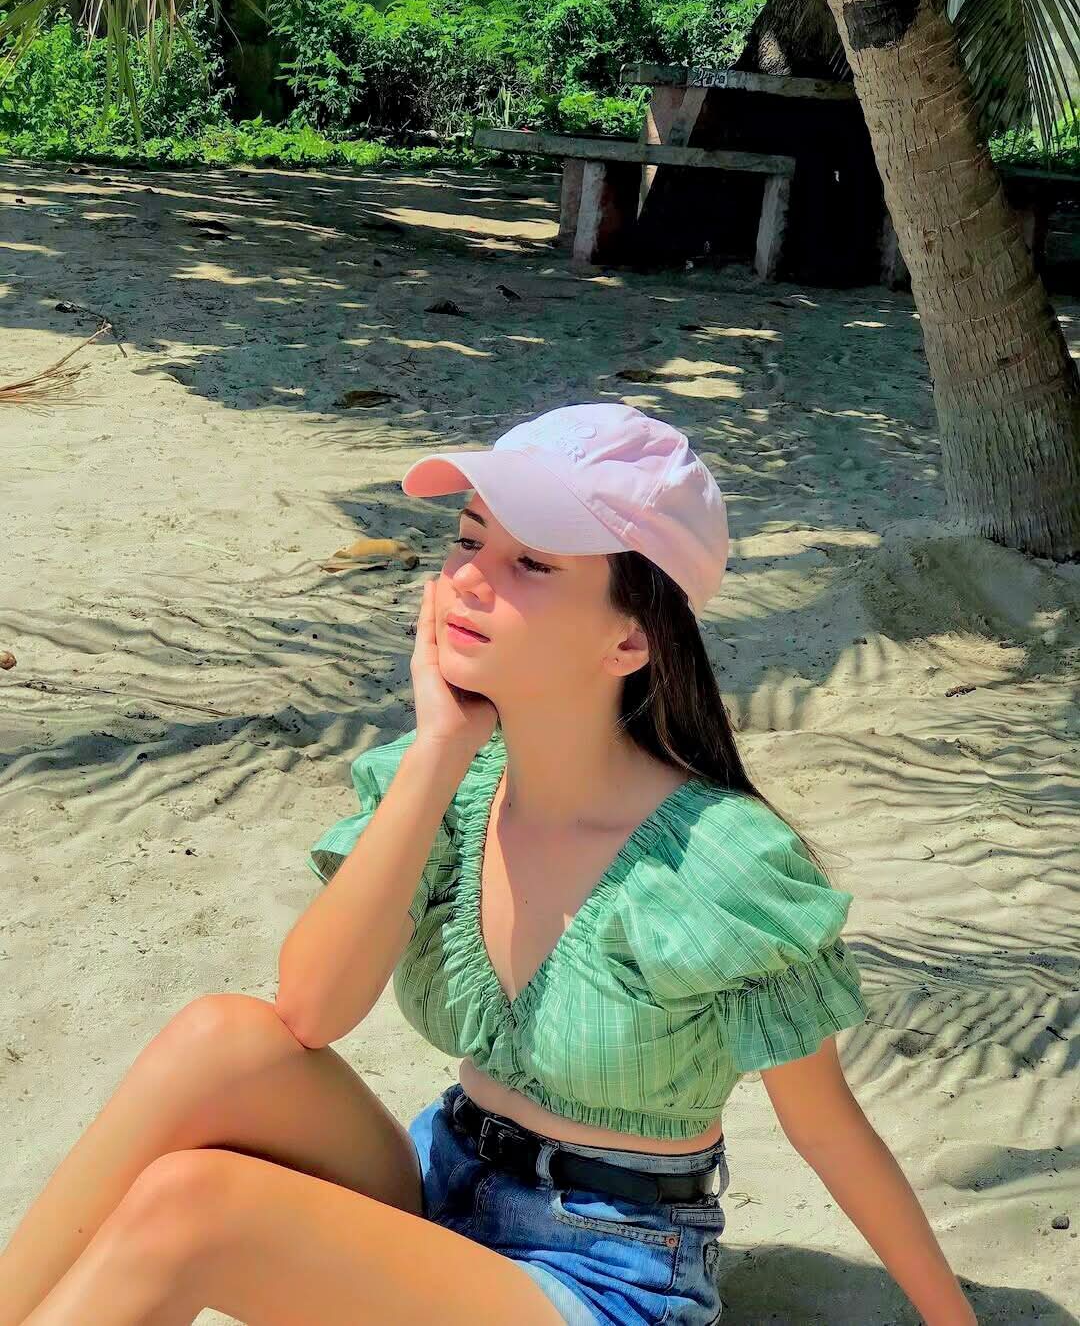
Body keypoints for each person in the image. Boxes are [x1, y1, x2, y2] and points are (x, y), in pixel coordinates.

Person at [0, 404, 975, 1326]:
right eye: (468, 539)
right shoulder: (453, 787)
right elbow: (310, 1010)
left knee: (194, 1207)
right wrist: (439, 752)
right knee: (222, 1038)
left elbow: (827, 1128)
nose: (470, 578)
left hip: (605, 1274)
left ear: (629, 637)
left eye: (531, 562)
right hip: (439, 1191)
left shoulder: (718, 862)